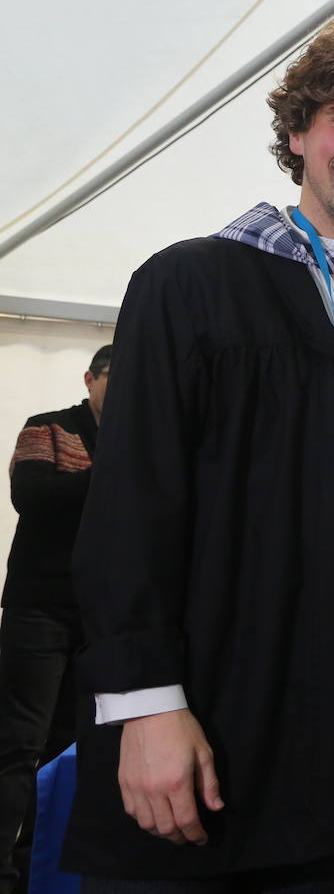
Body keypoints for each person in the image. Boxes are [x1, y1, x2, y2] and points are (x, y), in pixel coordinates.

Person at [64, 23, 334, 890]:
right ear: (297, 132)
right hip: (212, 687)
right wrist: (146, 706)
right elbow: (130, 511)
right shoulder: (191, 283)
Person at [0, 345, 110, 893]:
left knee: (69, 746)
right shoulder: (47, 427)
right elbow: (33, 496)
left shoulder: (140, 437)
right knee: (18, 743)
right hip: (38, 609)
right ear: (90, 378)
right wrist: (116, 476)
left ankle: (36, 869)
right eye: (114, 377)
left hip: (99, 614)